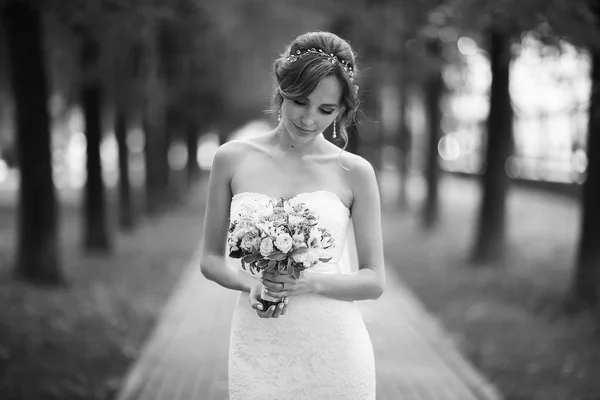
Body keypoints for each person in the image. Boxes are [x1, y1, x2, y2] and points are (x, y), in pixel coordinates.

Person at [199, 31, 385, 400]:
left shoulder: (355, 171)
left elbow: (374, 281)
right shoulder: (231, 158)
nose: (308, 118)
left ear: (342, 111)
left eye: (325, 110)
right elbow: (209, 260)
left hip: (335, 346)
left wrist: (309, 284)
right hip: (258, 342)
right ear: (282, 88)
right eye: (300, 101)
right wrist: (249, 283)